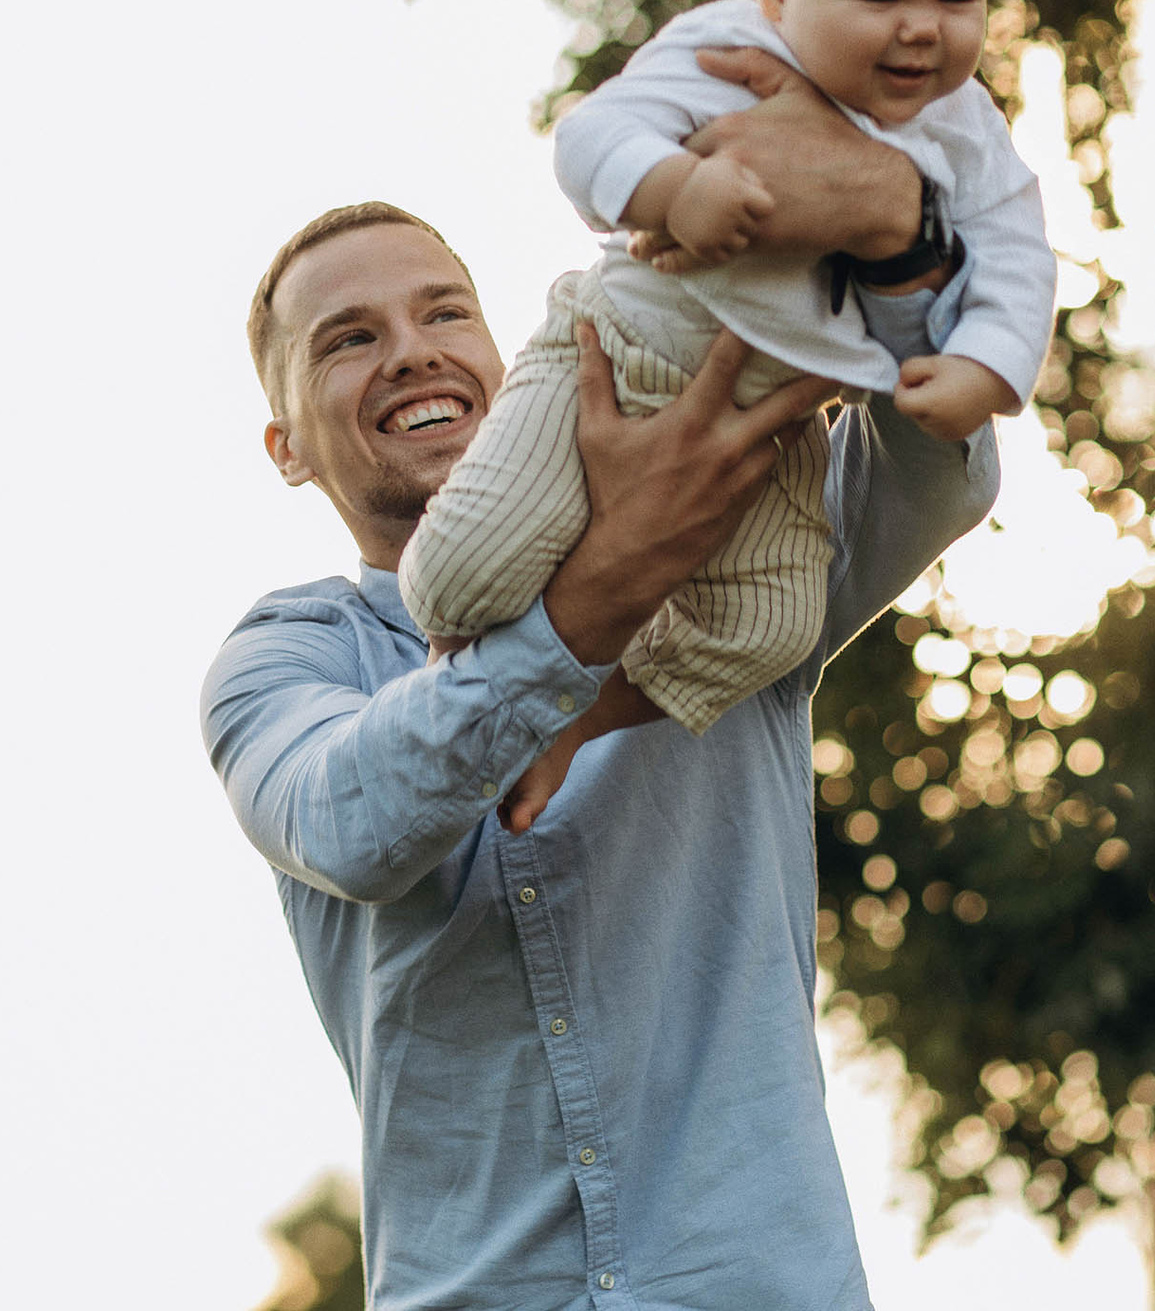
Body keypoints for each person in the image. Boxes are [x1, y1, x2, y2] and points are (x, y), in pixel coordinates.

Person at [202, 77, 1003, 1309]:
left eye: (442, 314)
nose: (410, 350)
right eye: (348, 338)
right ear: (287, 445)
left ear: (499, 352)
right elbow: (353, 825)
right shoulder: (281, 663)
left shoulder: (744, 538)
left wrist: (895, 244)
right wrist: (611, 583)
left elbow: (936, 470)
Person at [395, 0, 1055, 825]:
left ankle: (568, 717)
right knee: (457, 581)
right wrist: (677, 186)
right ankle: (472, 662)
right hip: (607, 353)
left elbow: (1015, 244)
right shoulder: (720, 51)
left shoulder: (961, 124)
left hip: (772, 428)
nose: (923, 31)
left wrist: (987, 363)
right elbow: (590, 139)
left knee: (768, 628)